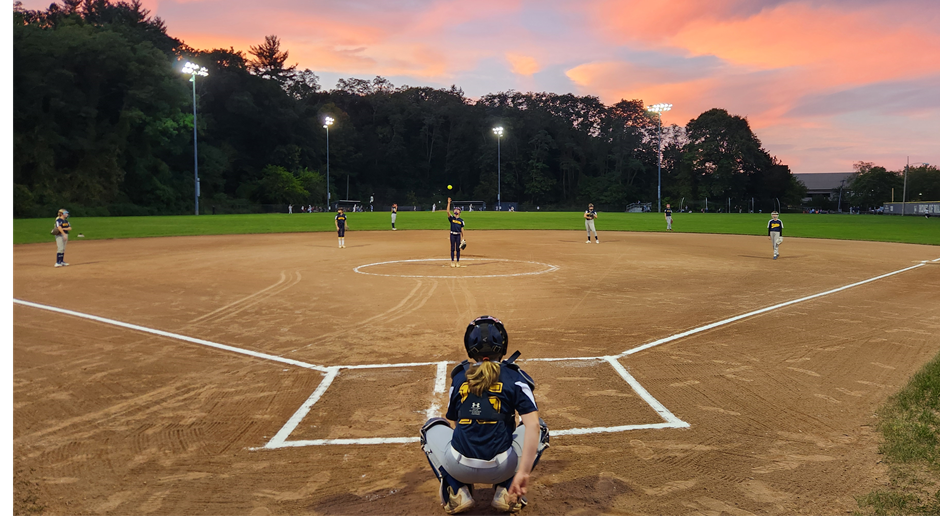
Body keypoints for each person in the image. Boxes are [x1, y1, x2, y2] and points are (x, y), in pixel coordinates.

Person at [420, 316, 550, 514]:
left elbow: (453, 422)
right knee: (540, 427)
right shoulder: (515, 377)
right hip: (502, 467)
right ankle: (507, 490)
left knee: (430, 427)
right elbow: (531, 426)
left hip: (459, 465)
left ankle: (455, 489)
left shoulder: (460, 375)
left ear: (469, 347)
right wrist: (523, 473)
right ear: (503, 345)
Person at [446, 198, 465, 267]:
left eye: (457, 209)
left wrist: (463, 238)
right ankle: (452, 261)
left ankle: (458, 262)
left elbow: (462, 229)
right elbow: (448, 212)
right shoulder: (452, 218)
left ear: (459, 212)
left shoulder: (461, 220)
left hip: (458, 235)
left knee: (458, 249)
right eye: (455, 209)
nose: (456, 210)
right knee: (452, 248)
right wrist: (448, 203)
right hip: (452, 235)